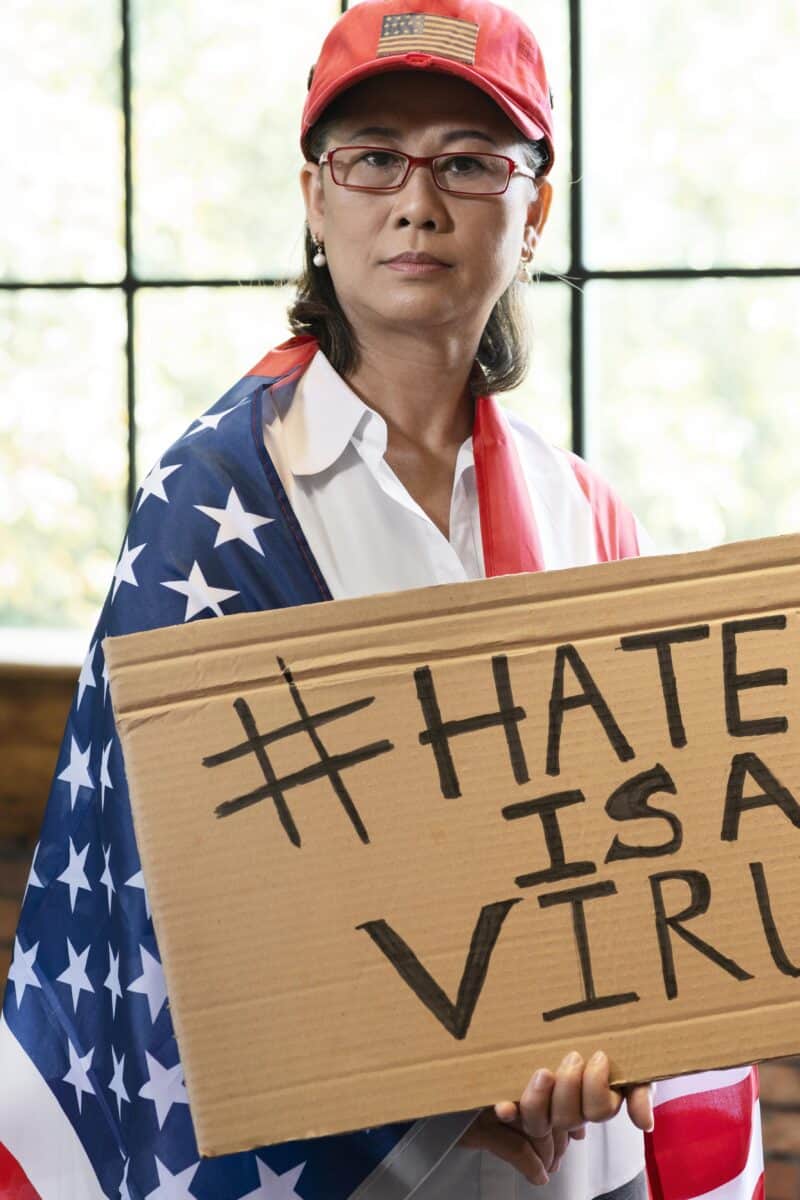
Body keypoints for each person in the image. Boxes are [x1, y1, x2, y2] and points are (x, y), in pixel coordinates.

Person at [0, 2, 762, 1198]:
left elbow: (638, 862)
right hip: (352, 1172)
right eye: (372, 158)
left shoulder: (587, 513)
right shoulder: (216, 499)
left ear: (534, 208)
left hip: (567, 1159)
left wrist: (612, 1045)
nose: (417, 200)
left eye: (469, 160)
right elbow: (185, 903)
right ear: (316, 198)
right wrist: (452, 1089)